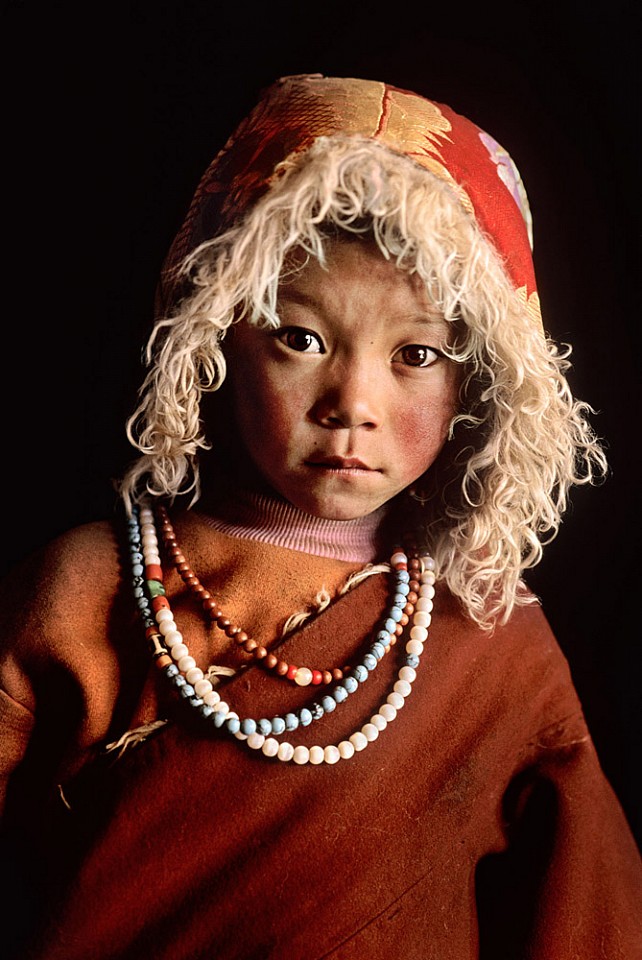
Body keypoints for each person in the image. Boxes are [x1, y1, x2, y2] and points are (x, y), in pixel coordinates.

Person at [1, 74, 640, 960]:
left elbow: (589, 923)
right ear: (216, 333)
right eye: (300, 338)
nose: (353, 402)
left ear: (476, 390)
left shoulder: (490, 643)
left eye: (415, 355)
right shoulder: (88, 589)